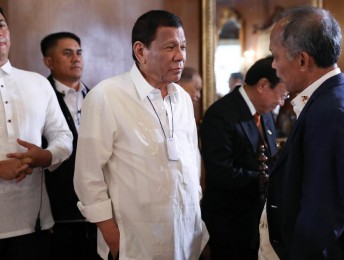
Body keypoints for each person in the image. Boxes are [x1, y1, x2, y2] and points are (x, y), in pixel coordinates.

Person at [73, 10, 208, 260]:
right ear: (140, 51)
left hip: (186, 239)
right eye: (170, 47)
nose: (180, 56)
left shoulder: (183, 100)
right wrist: (114, 239)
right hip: (134, 244)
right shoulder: (107, 96)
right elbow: (87, 177)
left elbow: (191, 162)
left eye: (183, 46)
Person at [267, 6, 344, 259]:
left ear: (302, 60)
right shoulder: (337, 95)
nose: (273, 66)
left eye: (276, 56)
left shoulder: (329, 112)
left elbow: (321, 216)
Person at [0, 8, 73, 260]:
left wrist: (47, 156)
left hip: (34, 225)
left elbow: (64, 136)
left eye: (1, 25)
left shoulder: (37, 83)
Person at [200, 56, 288, 260]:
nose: (281, 102)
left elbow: (270, 158)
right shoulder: (220, 114)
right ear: (263, 85)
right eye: (281, 94)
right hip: (230, 223)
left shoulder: (265, 113)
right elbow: (221, 172)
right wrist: (266, 180)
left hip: (261, 220)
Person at [40, 32, 100, 260]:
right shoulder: (40, 95)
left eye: (79, 52)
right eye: (67, 53)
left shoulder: (97, 96)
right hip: (58, 210)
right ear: (48, 61)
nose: (76, 58)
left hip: (96, 209)